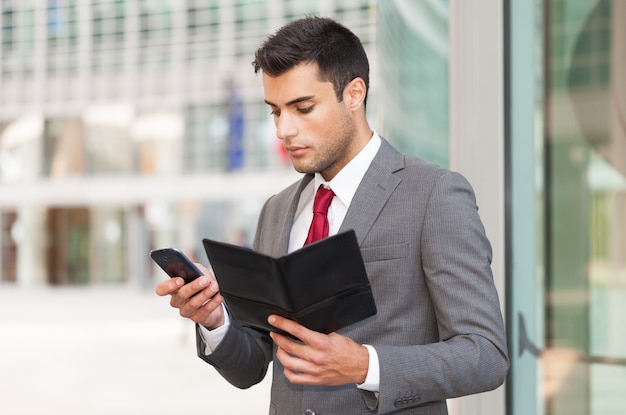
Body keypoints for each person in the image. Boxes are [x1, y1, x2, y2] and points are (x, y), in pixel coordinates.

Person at [156, 16, 509, 415]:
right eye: (275, 111)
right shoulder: (276, 211)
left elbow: (485, 355)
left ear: (355, 93)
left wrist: (366, 366)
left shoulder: (433, 194)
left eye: (302, 108)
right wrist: (215, 320)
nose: (283, 130)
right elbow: (251, 366)